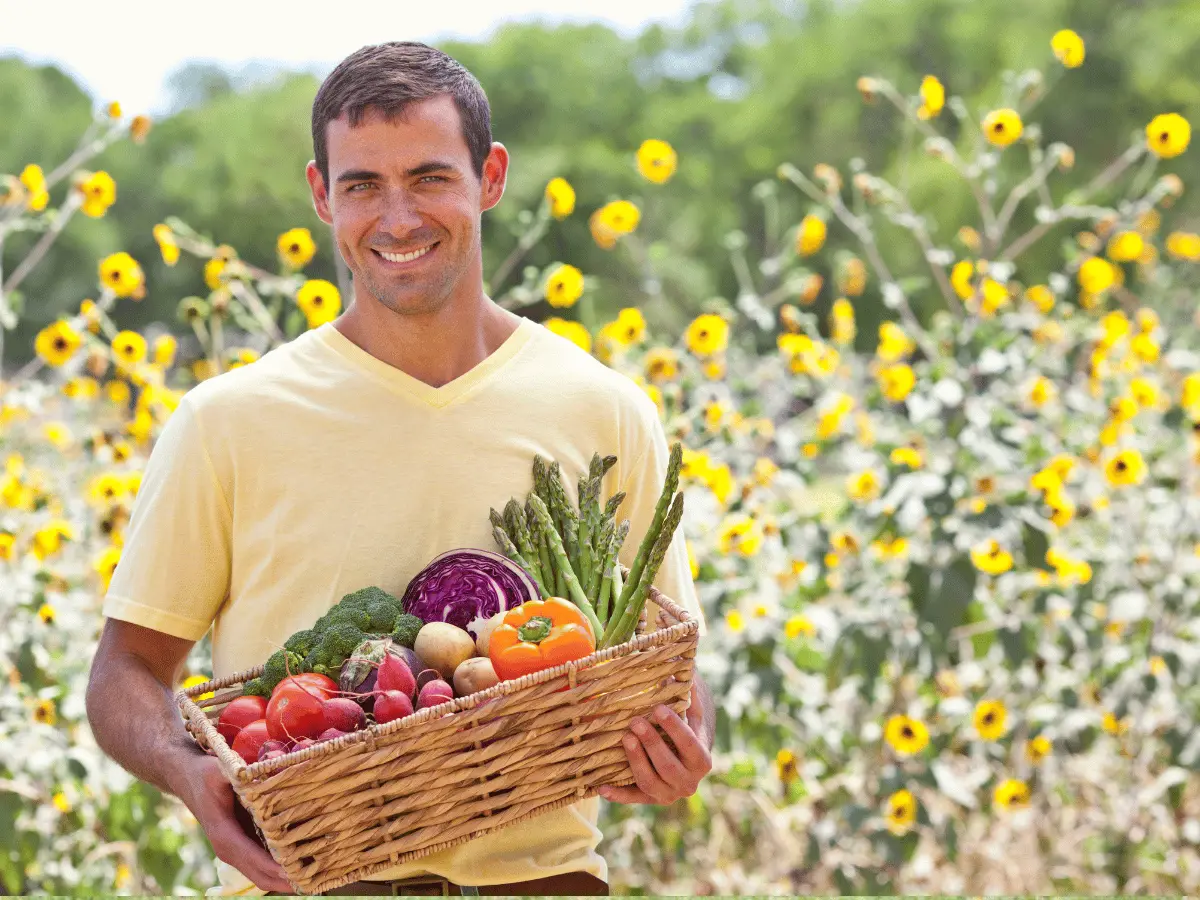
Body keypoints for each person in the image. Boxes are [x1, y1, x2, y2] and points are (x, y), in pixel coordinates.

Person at [85, 40, 713, 897]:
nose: (398, 218)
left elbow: (669, 666)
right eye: (362, 186)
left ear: (489, 177)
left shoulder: (602, 409)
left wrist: (676, 751)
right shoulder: (228, 422)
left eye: (428, 178)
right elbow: (125, 672)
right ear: (320, 196)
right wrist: (190, 774)